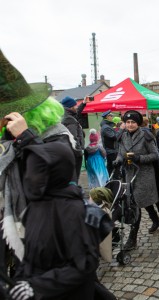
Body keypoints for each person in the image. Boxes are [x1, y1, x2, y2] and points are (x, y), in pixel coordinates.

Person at [0, 49, 112, 299]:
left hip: (56, 220)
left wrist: (26, 138)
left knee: (72, 281)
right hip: (23, 219)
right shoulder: (10, 139)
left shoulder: (57, 134)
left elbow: (63, 168)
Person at [114, 110, 159, 250]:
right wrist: (118, 161)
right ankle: (156, 220)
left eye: (133, 122)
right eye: (128, 122)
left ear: (138, 123)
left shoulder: (146, 136)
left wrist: (139, 158)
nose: (130, 125)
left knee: (135, 204)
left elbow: (155, 156)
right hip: (129, 174)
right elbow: (120, 153)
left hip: (144, 175)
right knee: (141, 201)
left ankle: (132, 239)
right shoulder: (122, 136)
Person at [61, 95, 86, 183]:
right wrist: (79, 153)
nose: (76, 107)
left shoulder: (65, 115)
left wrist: (84, 103)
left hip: (68, 152)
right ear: (71, 107)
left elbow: (77, 112)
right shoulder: (69, 119)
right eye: (75, 105)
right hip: (74, 153)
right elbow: (73, 138)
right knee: (74, 177)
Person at [100, 109, 125, 176]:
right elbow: (115, 137)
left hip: (111, 150)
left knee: (112, 167)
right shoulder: (106, 128)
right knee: (114, 168)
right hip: (111, 150)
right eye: (111, 116)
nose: (112, 117)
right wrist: (121, 129)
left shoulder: (107, 126)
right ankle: (114, 182)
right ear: (107, 117)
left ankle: (112, 181)